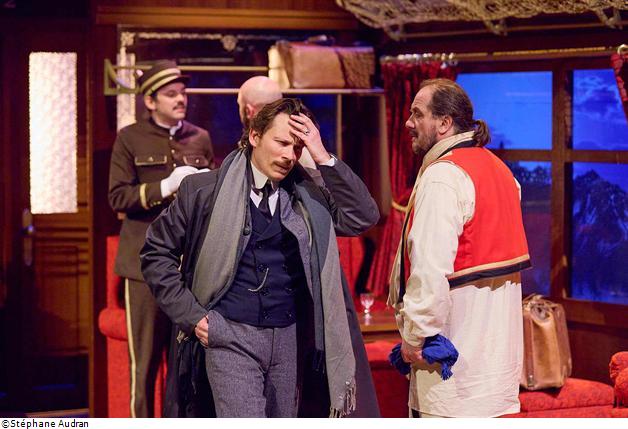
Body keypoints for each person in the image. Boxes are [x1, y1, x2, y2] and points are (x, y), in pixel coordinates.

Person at [141, 98, 380, 417]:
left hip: (288, 337)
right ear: (254, 136)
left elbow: (363, 216)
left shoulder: (308, 197)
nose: (289, 156)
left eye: (297, 148)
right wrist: (193, 316)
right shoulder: (203, 191)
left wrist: (322, 155)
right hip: (229, 333)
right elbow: (155, 253)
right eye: (281, 143)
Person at [388, 78, 531, 418]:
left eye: (417, 114)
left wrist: (415, 337)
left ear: (444, 123)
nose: (408, 123)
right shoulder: (501, 171)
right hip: (496, 373)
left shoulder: (444, 176)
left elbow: (430, 267)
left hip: (452, 374)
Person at [108, 59, 215, 418]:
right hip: (143, 267)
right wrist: (165, 186)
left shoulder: (199, 137)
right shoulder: (130, 138)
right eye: (171, 94)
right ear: (150, 101)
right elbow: (117, 197)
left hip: (188, 266)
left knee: (186, 362)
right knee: (144, 363)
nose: (180, 99)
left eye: (183, 93)